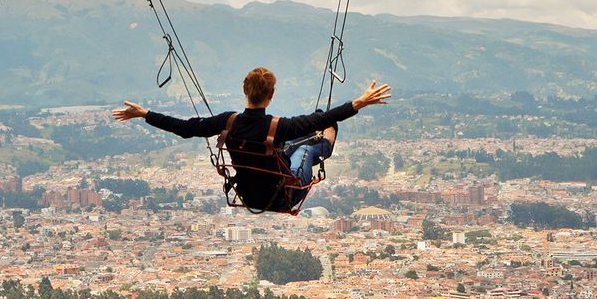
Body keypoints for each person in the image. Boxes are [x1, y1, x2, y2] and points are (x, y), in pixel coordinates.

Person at [111, 67, 392, 211]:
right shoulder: (279, 126)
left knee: (302, 142)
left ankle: (317, 143)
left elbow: (184, 127)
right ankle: (325, 145)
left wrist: (144, 113)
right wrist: (359, 102)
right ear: (271, 96)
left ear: (245, 91)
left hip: (250, 196)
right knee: (310, 146)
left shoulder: (228, 123)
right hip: (284, 197)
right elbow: (320, 119)